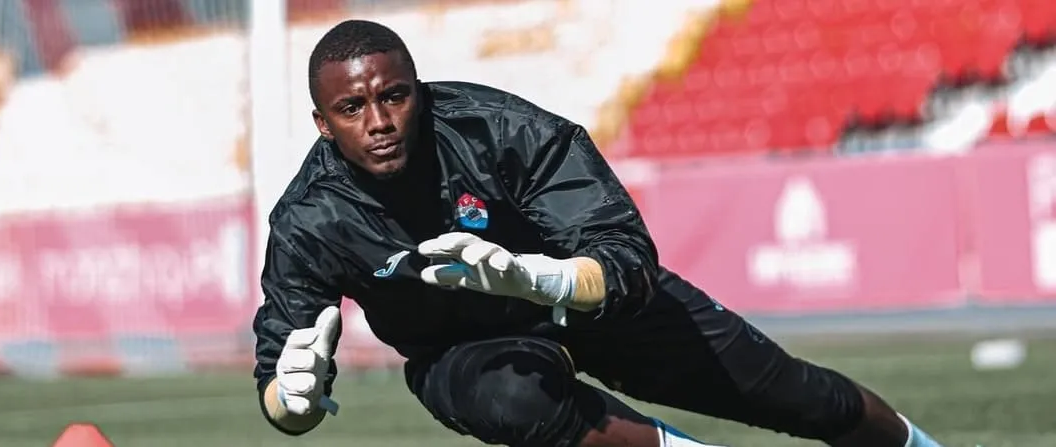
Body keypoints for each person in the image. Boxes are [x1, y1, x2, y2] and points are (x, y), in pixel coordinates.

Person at [252, 19, 944, 447]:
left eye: (393, 95)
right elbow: (277, 389)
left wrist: (537, 276)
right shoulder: (309, 220)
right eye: (351, 107)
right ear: (323, 123)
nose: (378, 120)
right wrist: (295, 398)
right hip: (462, 351)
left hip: (588, 302)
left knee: (799, 395)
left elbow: (626, 256)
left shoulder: (502, 130)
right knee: (516, 401)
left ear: (419, 91)